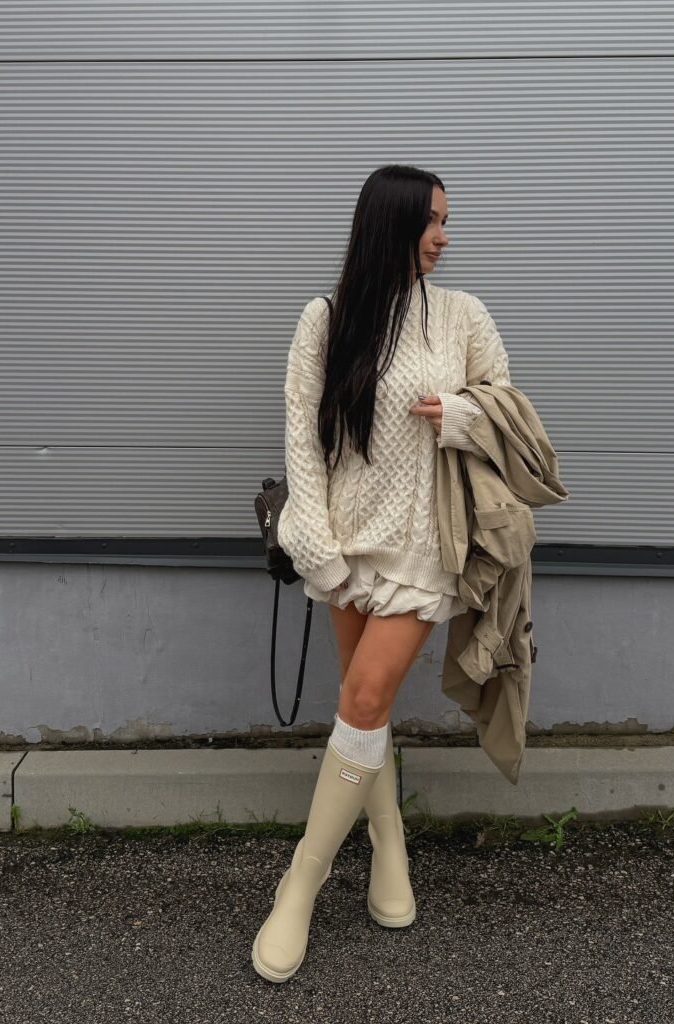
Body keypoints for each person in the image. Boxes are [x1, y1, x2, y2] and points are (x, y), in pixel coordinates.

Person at [252, 164, 512, 983]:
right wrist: (321, 555)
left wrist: (461, 415)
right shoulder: (324, 320)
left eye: (446, 221)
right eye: (432, 221)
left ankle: (300, 882)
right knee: (362, 708)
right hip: (342, 545)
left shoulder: (463, 314)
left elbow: (506, 403)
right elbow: (302, 440)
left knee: (363, 698)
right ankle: (386, 844)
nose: (444, 236)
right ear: (390, 223)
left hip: (424, 549)